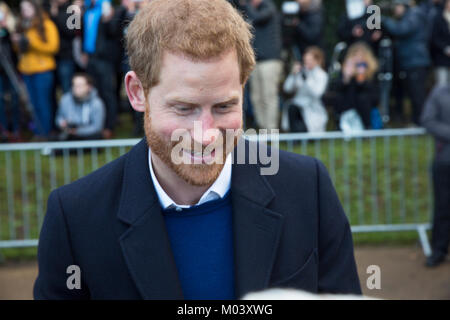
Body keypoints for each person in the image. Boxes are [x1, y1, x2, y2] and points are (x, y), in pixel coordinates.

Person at [34, 0, 361, 299]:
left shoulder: (308, 189)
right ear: (137, 93)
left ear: (242, 89)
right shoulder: (76, 218)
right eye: (183, 108)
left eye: (223, 106)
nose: (205, 136)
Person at [13, 0, 60, 139]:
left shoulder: (47, 24)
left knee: (43, 103)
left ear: (35, 8)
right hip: (27, 70)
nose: (24, 11)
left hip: (43, 70)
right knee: (33, 104)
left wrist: (31, 43)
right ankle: (38, 132)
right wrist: (18, 43)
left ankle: (45, 133)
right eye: (22, 8)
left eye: (27, 7)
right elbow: (19, 50)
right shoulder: (22, 26)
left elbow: (53, 47)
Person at [382, 0, 431, 126]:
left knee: (417, 95)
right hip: (410, 61)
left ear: (404, 6)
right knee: (412, 93)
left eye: (397, 6)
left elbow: (401, 30)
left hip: (416, 61)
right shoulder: (408, 16)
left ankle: (421, 123)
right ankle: (417, 122)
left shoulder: (414, 15)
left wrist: (383, 20)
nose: (395, 10)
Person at [420, 84, 450, 267]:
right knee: (443, 207)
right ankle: (439, 249)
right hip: (445, 161)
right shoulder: (440, 92)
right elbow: (428, 120)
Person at [241, 0, 283, 130]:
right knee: (256, 98)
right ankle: (263, 129)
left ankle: (271, 132)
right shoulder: (251, 10)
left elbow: (257, 18)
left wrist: (246, 5)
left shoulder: (268, 7)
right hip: (256, 61)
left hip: (270, 61)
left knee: (268, 97)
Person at [82, 0, 120, 139]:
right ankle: (97, 124)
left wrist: (107, 19)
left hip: (104, 58)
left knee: (107, 92)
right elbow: (81, 32)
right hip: (90, 57)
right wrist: (84, 51)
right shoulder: (87, 8)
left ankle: (109, 126)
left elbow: (114, 32)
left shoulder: (107, 7)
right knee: (94, 92)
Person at [333, 42, 379, 129]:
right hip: (349, 98)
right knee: (339, 98)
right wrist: (346, 77)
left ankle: (367, 126)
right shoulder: (346, 69)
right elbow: (339, 88)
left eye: (361, 56)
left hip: (367, 98)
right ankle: (341, 126)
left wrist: (361, 79)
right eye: (355, 56)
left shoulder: (371, 70)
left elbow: (373, 90)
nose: (358, 59)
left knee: (362, 99)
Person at [282, 46, 328, 132]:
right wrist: (293, 75)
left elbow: (317, 94)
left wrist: (307, 79)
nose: (307, 63)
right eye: (305, 61)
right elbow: (287, 88)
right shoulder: (301, 73)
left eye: (310, 61)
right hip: (297, 106)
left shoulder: (322, 75)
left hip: (313, 108)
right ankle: (294, 138)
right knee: (291, 107)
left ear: (317, 61)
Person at [55, 73, 105, 140]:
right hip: (68, 133)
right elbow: (59, 118)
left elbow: (97, 127)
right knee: (58, 137)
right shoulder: (65, 99)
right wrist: (62, 123)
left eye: (80, 86)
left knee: (97, 136)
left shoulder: (96, 103)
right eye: (74, 85)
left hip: (88, 134)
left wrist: (77, 131)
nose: (76, 88)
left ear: (89, 87)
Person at [0, 2, 21, 142]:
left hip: (12, 65)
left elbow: (17, 46)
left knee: (14, 97)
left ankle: (16, 129)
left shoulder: (10, 25)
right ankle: (4, 130)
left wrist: (8, 27)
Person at [50, 0, 77, 94]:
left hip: (66, 56)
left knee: (67, 88)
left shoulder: (73, 8)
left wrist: (56, 16)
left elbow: (72, 32)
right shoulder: (52, 9)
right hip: (52, 57)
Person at [431, 0, 450, 87]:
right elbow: (434, 37)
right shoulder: (438, 17)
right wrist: (445, 48)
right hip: (441, 58)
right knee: (441, 87)